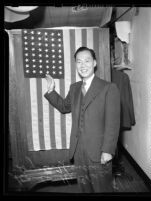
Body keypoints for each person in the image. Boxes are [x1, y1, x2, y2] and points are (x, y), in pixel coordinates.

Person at [44, 47, 120, 193]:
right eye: (79, 62)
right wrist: (51, 91)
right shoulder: (74, 88)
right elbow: (64, 107)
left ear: (95, 63)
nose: (83, 65)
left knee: (102, 188)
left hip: (99, 151)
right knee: (84, 188)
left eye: (87, 61)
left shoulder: (109, 88)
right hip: (78, 150)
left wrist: (108, 150)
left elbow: (113, 123)